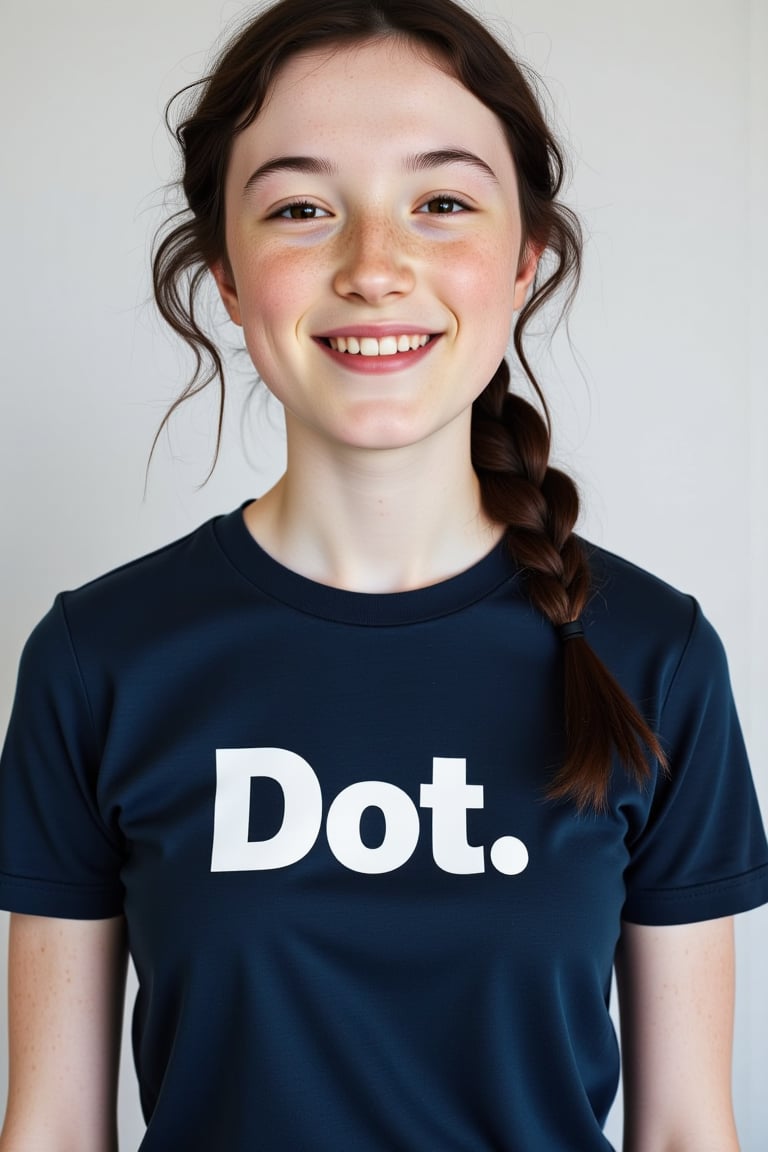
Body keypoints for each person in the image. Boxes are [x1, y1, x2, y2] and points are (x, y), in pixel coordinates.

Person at [1, 0, 766, 1148]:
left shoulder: (659, 656)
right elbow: (53, 1129)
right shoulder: (97, 658)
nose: (374, 266)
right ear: (225, 272)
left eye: (442, 203)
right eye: (302, 208)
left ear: (524, 264)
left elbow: (685, 1133)